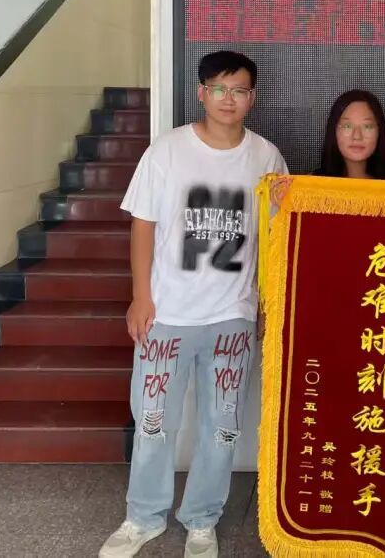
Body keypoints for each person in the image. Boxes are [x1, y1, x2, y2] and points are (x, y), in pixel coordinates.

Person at [100, 51, 288, 558]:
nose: (229, 99)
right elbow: (143, 224)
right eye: (220, 89)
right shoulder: (167, 151)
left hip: (233, 315)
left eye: (240, 90)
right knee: (154, 422)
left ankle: (202, 520)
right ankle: (143, 517)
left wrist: (266, 303)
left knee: (221, 427)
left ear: (252, 97)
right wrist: (141, 296)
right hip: (168, 314)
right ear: (202, 93)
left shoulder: (266, 157)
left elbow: (275, 237)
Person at [314, 89, 385, 179]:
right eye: (347, 126)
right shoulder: (312, 184)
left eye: (367, 127)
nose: (357, 136)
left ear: (379, 131)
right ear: (333, 130)